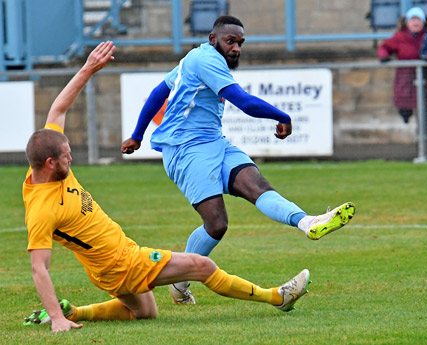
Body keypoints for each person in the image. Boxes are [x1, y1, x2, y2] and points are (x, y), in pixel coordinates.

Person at [22, 41, 311, 333]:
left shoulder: (46, 165)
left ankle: (73, 310)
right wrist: (56, 321)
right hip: (123, 262)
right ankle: (277, 297)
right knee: (202, 266)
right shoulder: (42, 209)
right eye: (66, 157)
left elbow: (58, 107)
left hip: (106, 269)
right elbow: (39, 268)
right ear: (49, 162)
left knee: (145, 312)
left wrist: (89, 68)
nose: (71, 159)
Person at [121, 15, 355, 304]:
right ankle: (179, 282)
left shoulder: (197, 58)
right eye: (230, 41)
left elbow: (160, 91)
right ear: (213, 39)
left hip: (213, 142)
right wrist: (282, 116)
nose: (236, 48)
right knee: (216, 224)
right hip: (184, 148)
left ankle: (308, 222)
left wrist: (137, 135)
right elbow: (243, 102)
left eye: (240, 43)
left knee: (257, 185)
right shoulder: (205, 60)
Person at [378, 7, 427, 124]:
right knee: (405, 108)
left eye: (418, 20)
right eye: (413, 20)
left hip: (425, 78)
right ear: (407, 22)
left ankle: (423, 138)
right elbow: (384, 47)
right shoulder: (400, 36)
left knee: (424, 109)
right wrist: (384, 56)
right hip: (405, 79)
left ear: (423, 22)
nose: (415, 23)